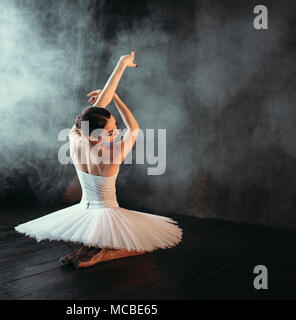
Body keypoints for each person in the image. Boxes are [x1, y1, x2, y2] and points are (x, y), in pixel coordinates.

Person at [15, 51, 183, 268]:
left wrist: (121, 66)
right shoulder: (112, 155)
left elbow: (97, 109)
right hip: (107, 213)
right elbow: (134, 128)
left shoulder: (75, 136)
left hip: (86, 209)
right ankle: (100, 254)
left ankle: (85, 249)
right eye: (111, 131)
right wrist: (118, 99)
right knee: (144, 246)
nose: (115, 133)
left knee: (101, 236)